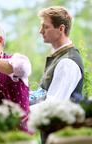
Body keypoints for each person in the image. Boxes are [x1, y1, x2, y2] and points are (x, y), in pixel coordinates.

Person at [35, 6, 84, 144]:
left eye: (46, 27)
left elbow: (52, 105)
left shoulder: (67, 62)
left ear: (61, 29)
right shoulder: (60, 58)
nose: (41, 31)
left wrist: (18, 113)